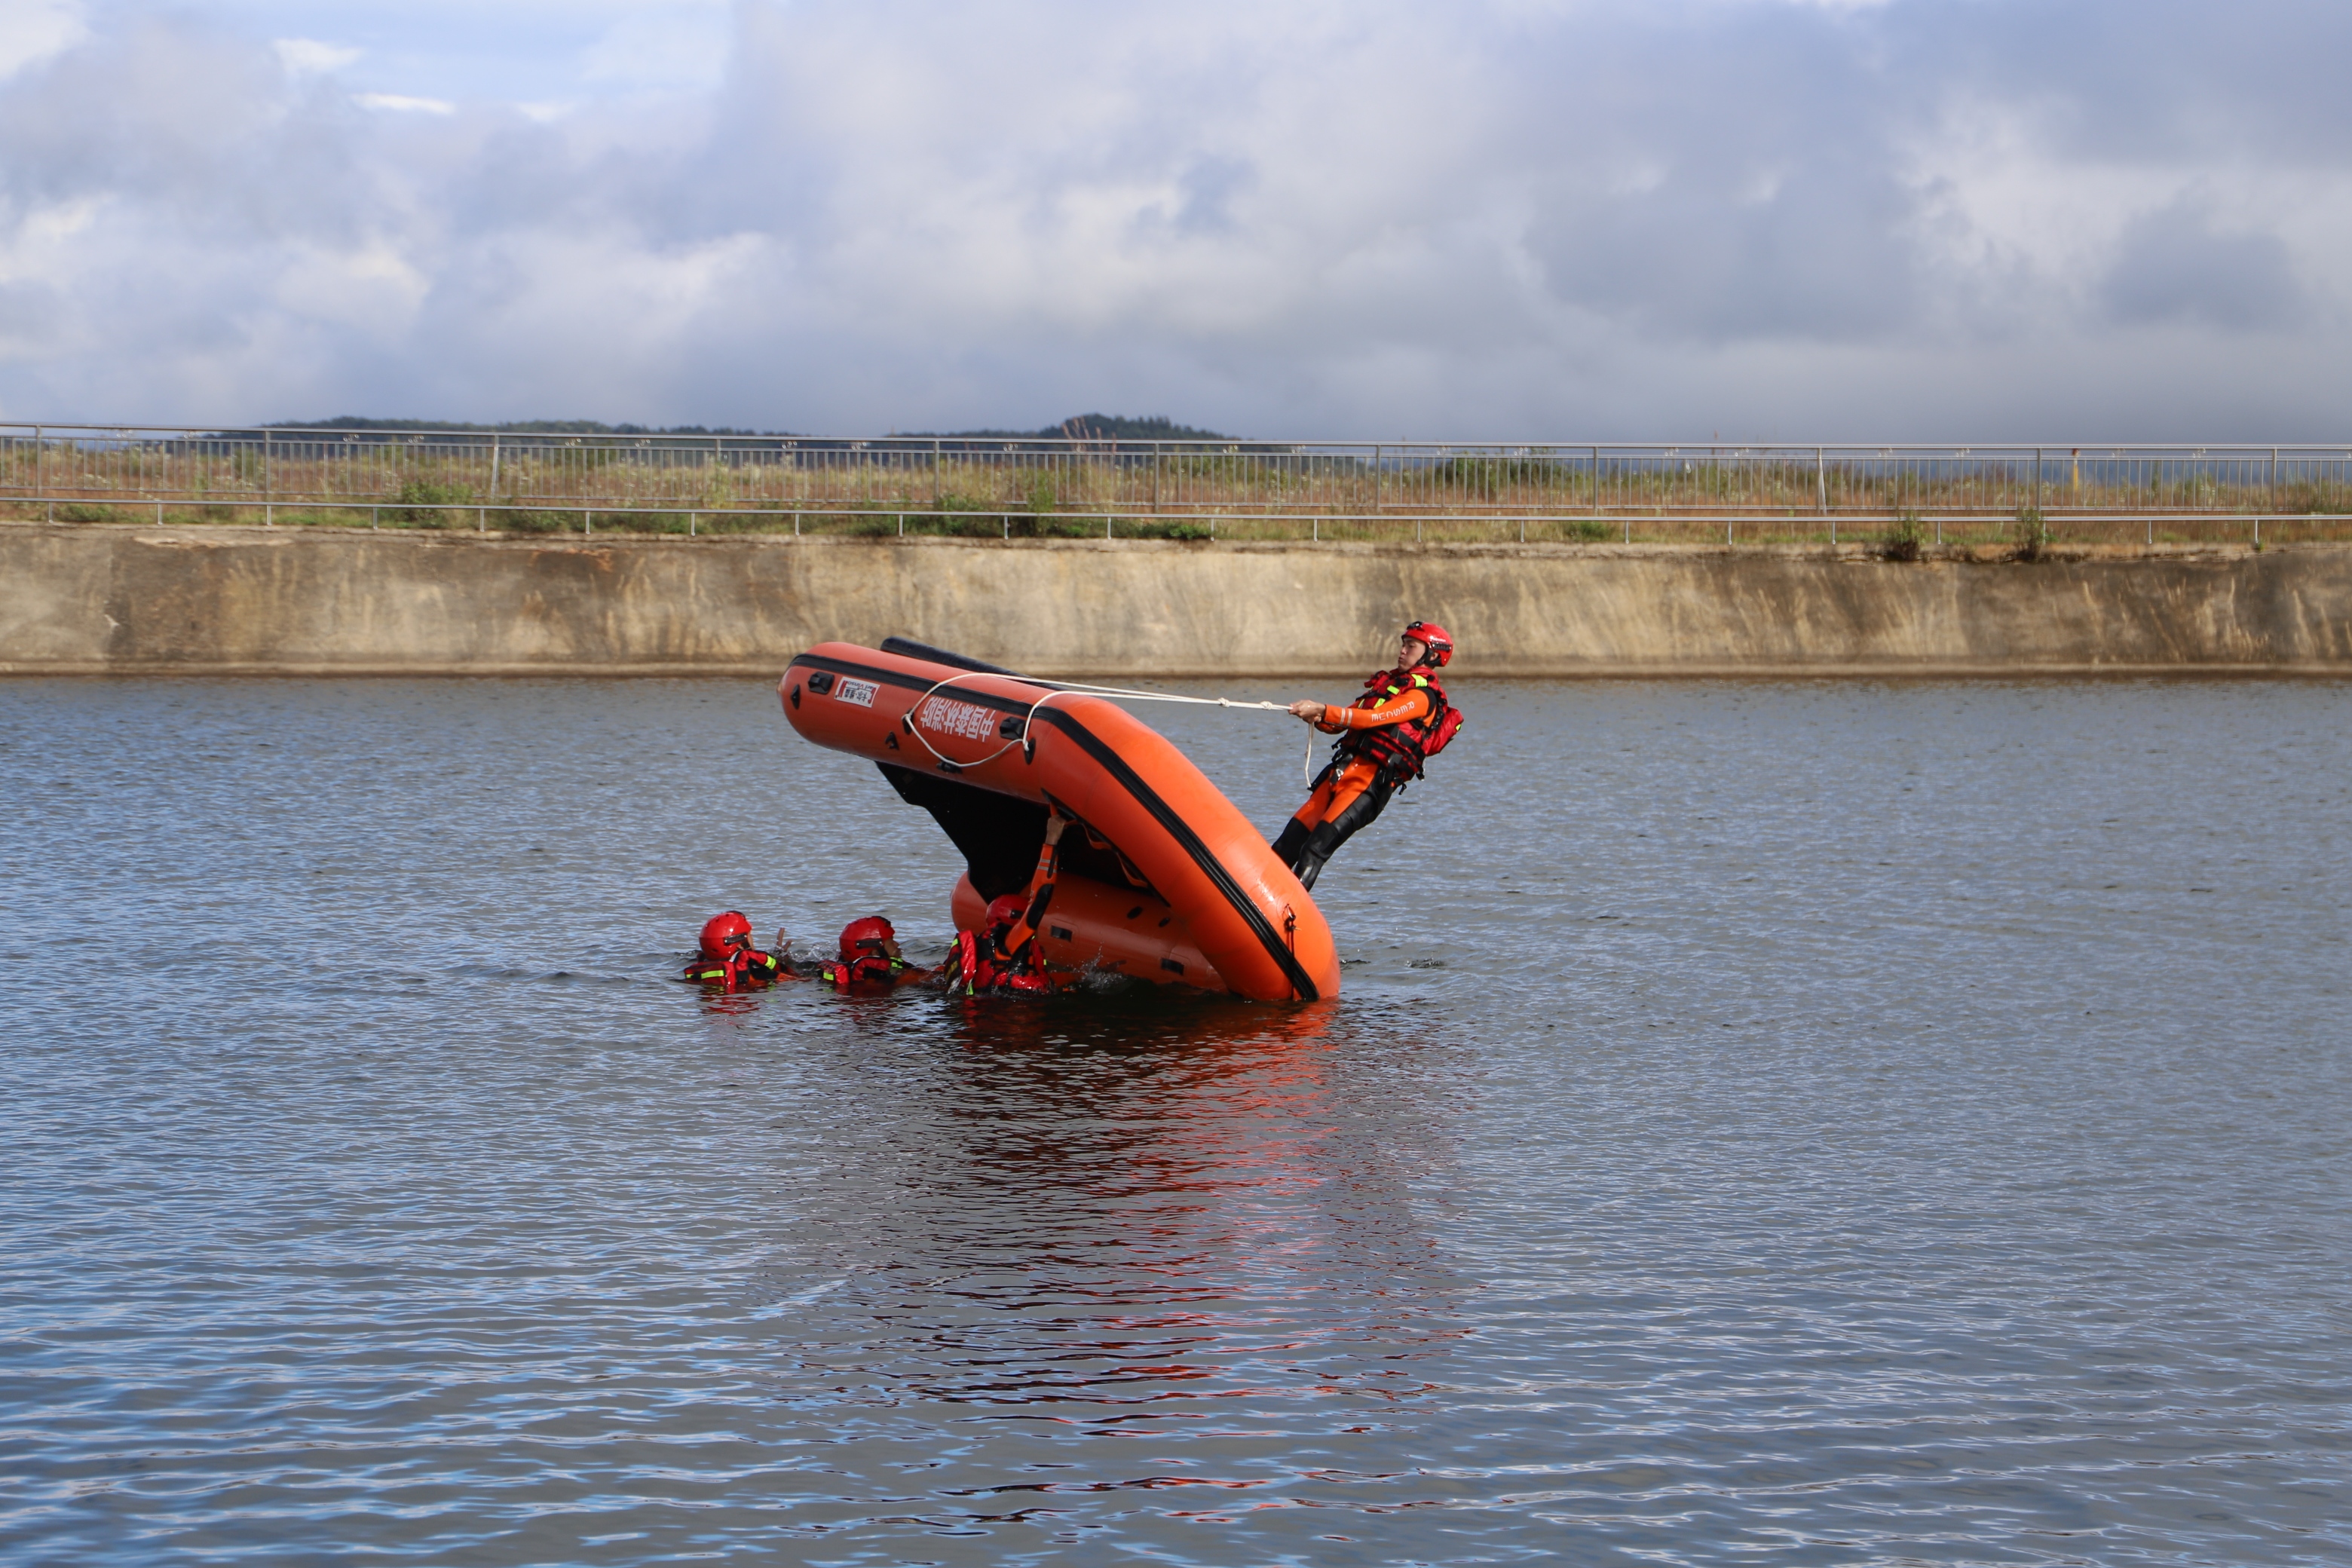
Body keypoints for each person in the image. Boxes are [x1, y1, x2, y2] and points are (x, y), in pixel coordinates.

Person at [1271, 619, 1462, 891]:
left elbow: (1373, 719)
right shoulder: (1387, 686)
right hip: (1341, 773)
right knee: (1286, 844)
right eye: (1403, 645)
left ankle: (1284, 913)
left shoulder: (1423, 697)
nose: (1402, 651)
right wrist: (1317, 717)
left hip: (1369, 785)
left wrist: (1323, 709)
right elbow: (1343, 721)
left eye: (1411, 646)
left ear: (1432, 655)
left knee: (1313, 851)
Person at [951, 811, 1070, 995]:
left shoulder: (993, 952)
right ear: (1016, 920)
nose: (1036, 927)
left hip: (996, 1011)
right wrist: (1052, 839)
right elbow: (1040, 899)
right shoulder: (1011, 944)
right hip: (1014, 1017)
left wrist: (1087, 975)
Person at [813, 915, 931, 992]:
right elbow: (932, 980)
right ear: (875, 953)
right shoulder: (882, 980)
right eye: (891, 942)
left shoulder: (846, 972)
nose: (897, 945)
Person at [681, 911, 792, 991]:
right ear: (740, 944)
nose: (752, 940)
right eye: (750, 936)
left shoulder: (700, 971)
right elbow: (799, 980)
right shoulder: (759, 974)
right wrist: (784, 965)